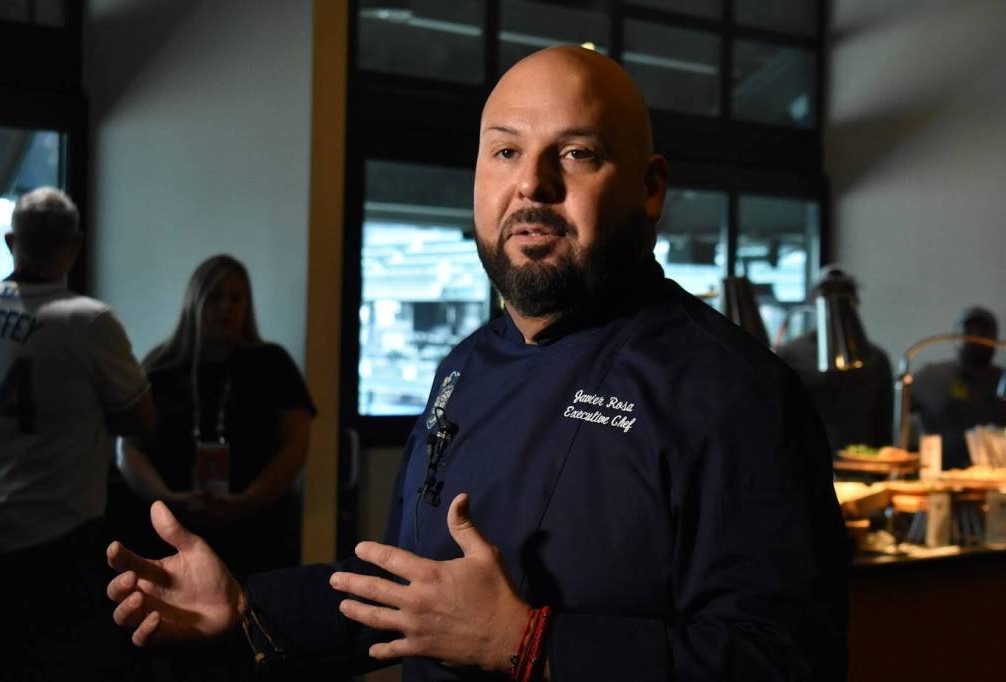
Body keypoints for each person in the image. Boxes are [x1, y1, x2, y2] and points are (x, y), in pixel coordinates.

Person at [108, 46, 848, 681]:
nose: (532, 183)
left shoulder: (734, 394)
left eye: (576, 153)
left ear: (650, 187)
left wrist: (528, 644)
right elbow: (409, 593)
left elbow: (785, 660)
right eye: (506, 152)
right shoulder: (464, 366)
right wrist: (246, 605)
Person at [0, 187, 154, 680]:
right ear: (75, 246)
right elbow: (141, 420)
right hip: (59, 537)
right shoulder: (88, 322)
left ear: (12, 241)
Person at [116, 254, 315, 578]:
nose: (227, 307)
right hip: (173, 532)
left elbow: (295, 446)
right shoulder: (159, 366)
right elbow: (128, 448)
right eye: (215, 297)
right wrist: (167, 499)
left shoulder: (272, 363)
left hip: (259, 534)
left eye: (237, 298)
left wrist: (247, 500)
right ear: (194, 302)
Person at [775, 266, 894, 451]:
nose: (836, 299)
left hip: (862, 457)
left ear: (854, 301)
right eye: (828, 293)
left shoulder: (875, 358)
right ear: (813, 301)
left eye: (843, 293)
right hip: (808, 455)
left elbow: (883, 418)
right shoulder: (790, 354)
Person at [911, 306, 1006, 469]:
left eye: (983, 332)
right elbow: (902, 420)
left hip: (994, 475)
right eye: (970, 331)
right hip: (936, 473)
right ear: (957, 335)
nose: (976, 338)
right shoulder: (931, 378)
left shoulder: (1002, 380)